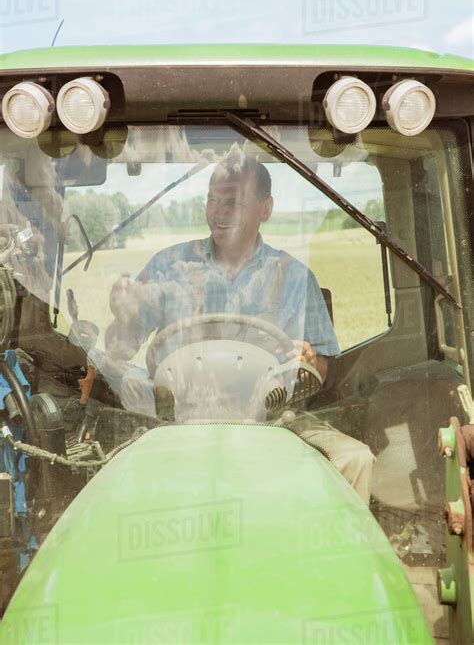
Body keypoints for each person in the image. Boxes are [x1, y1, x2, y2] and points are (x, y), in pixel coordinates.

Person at [101, 146, 375, 504]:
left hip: (274, 421)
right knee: (103, 467)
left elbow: (321, 362)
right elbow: (118, 351)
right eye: (212, 201)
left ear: (266, 209)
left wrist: (307, 359)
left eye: (233, 202)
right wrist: (125, 317)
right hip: (174, 420)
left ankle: (342, 559)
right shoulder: (169, 266)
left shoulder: (293, 275)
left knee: (355, 460)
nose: (218, 212)